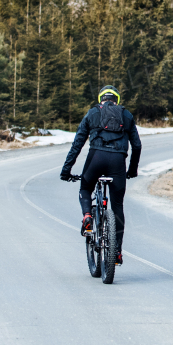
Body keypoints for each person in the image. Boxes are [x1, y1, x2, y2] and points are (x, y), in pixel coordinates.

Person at [61, 85, 141, 263]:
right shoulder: (126, 115)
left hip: (96, 158)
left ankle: (88, 216)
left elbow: (78, 143)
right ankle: (117, 252)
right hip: (117, 162)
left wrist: (66, 170)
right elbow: (137, 145)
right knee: (117, 205)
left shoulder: (92, 113)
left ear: (101, 99)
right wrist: (132, 170)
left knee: (85, 188)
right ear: (117, 100)